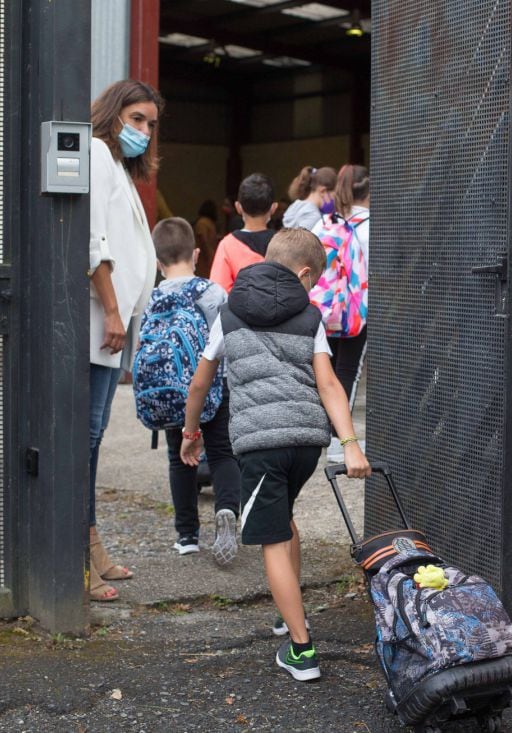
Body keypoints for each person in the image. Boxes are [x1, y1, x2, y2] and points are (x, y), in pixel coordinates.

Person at [179, 227, 371, 682]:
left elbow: (201, 382)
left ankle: (301, 651)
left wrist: (191, 431)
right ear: (304, 273)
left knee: (271, 540)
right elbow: (329, 384)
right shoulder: (309, 316)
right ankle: (291, 615)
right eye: (316, 280)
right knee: (283, 520)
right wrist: (350, 443)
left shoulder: (228, 314)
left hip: (261, 444)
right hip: (306, 442)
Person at [87, 79, 162, 602]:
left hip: (112, 326)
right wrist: (113, 310)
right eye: (137, 118)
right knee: (84, 441)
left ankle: (91, 548)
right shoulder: (94, 153)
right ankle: (79, 560)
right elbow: (94, 242)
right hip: (98, 321)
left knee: (92, 439)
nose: (144, 131)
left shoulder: (118, 168)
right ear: (113, 114)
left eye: (151, 124)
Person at [149, 217, 242, 564]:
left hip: (173, 393)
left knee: (179, 457)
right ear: (197, 254)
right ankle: (228, 509)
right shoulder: (213, 292)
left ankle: (187, 535)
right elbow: (228, 340)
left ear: (158, 263)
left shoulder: (155, 295)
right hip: (215, 384)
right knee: (222, 452)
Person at [311, 164, 370, 463]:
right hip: (356, 313)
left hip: (326, 309)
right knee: (348, 372)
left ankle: (322, 430)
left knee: (327, 370)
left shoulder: (325, 224)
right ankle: (338, 440)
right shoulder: (374, 226)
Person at [210, 174, 276, 292]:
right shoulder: (285, 243)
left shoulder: (227, 245)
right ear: (273, 208)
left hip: (240, 309)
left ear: (238, 207)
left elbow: (219, 291)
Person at [283, 166, 337, 230]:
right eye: (334, 196)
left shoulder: (296, 205)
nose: (335, 201)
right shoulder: (314, 217)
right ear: (323, 191)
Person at [193, 200, 219, 278]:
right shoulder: (203, 222)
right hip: (203, 259)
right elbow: (202, 237)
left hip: (208, 257)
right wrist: (209, 253)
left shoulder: (208, 223)